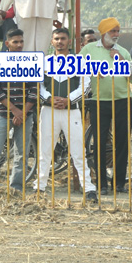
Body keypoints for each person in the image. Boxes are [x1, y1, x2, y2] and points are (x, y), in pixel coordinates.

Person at [36, 27, 96, 202]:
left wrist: (68, 100)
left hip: (72, 110)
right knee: (45, 150)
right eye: (56, 39)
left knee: (78, 152)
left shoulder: (79, 61)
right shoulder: (44, 62)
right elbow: (38, 85)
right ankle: (39, 187)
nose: (60, 42)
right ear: (52, 41)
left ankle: (89, 189)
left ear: (69, 41)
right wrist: (49, 99)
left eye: (63, 38)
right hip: (48, 110)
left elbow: (86, 85)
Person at [0, 28, 37, 193]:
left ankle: (16, 187)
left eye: (21, 41)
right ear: (7, 43)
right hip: (3, 114)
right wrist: (15, 110)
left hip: (25, 115)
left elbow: (34, 90)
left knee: (22, 153)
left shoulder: (29, 61)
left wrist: (22, 113)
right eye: (15, 42)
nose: (19, 45)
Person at [82, 17, 132, 194]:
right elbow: (78, 68)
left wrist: (120, 60)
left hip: (123, 100)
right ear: (104, 32)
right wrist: (91, 69)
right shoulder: (89, 49)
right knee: (99, 142)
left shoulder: (123, 51)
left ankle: (119, 183)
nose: (116, 34)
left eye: (118, 31)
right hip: (99, 101)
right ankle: (101, 184)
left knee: (122, 142)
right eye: (113, 31)